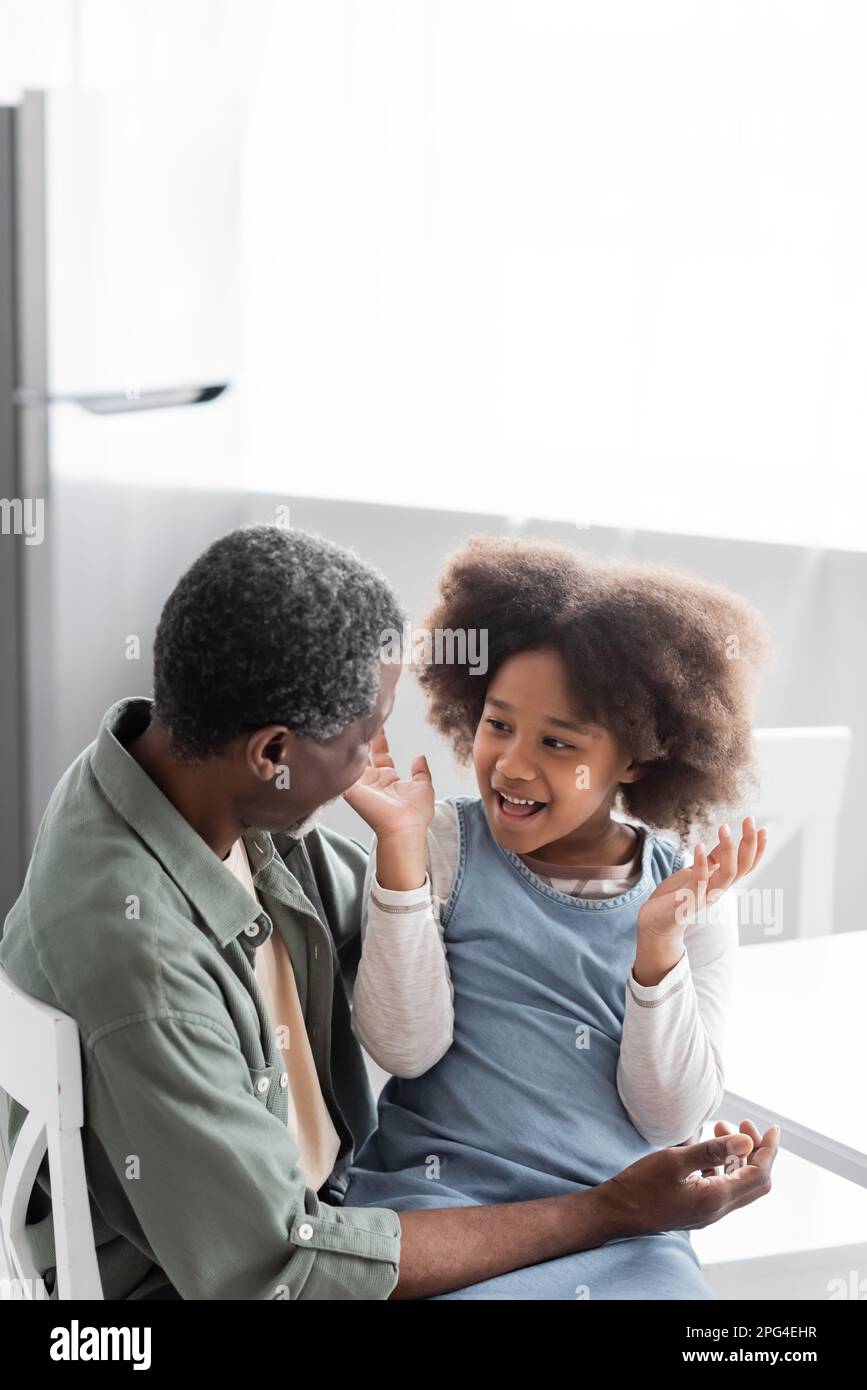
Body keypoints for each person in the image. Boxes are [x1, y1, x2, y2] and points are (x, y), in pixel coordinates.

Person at [0, 525, 778, 1301]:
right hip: (212, 1279)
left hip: (335, 1216)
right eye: (362, 735)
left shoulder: (171, 781)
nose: (380, 755)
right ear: (272, 754)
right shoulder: (147, 965)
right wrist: (606, 1211)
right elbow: (281, 1270)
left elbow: (418, 928)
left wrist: (638, 949)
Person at [341, 534, 775, 1298]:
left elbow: (666, 1113)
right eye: (498, 724)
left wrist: (655, 949)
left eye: (556, 743)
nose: (511, 763)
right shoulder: (442, 843)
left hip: (626, 1227)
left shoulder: (685, 893)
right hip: (441, 1207)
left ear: (633, 759)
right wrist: (400, 859)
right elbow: (403, 1049)